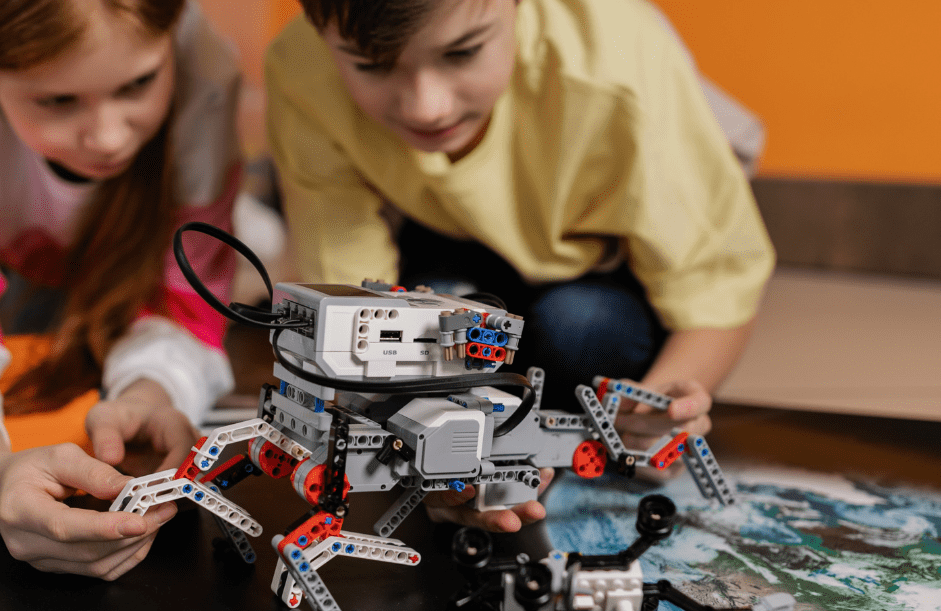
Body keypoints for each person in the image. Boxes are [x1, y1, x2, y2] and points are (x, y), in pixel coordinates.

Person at [264, 0, 776, 531]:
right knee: (431, 331)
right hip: (445, 235)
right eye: (371, 65)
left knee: (578, 331)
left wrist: (657, 408)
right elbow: (348, 305)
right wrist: (414, 444)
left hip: (602, 260)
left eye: (462, 52)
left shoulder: (618, 60)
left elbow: (716, 292)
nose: (427, 108)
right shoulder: (301, 68)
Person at [0, 0, 244, 579]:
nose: (108, 138)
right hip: (8, 270)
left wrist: (152, 389)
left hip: (123, 282)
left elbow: (184, 293)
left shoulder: (204, 70)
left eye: (138, 84)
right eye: (58, 101)